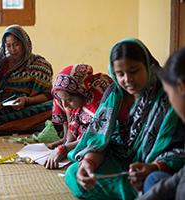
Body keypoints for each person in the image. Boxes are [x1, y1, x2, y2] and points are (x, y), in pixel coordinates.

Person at [64, 38, 185, 200]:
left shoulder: (168, 96)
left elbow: (177, 147)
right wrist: (89, 163)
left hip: (152, 167)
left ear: (148, 66)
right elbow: (99, 140)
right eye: (120, 74)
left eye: (134, 70)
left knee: (154, 182)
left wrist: (155, 166)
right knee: (73, 173)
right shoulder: (113, 94)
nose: (127, 79)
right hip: (119, 160)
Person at [0, 25, 54, 136]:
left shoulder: (41, 65)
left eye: (16, 45)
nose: (12, 50)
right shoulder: (2, 62)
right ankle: (28, 126)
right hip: (6, 107)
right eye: (8, 46)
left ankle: (9, 126)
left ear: (25, 44)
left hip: (31, 106)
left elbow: (47, 95)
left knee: (55, 107)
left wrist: (26, 101)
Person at [137, 47, 185, 200]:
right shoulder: (115, 96)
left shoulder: (160, 104)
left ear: (181, 88)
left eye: (169, 93)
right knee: (154, 179)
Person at [44, 64, 113, 169]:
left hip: (104, 136)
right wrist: (66, 143)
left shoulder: (98, 99)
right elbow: (73, 121)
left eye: (68, 100)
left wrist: (64, 149)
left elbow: (96, 136)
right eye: (63, 100)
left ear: (82, 92)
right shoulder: (75, 96)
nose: (65, 105)